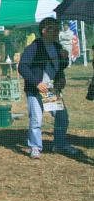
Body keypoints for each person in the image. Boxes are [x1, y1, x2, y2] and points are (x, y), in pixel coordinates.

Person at [18, 17, 77, 159]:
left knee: (62, 117)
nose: (57, 32)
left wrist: (64, 58)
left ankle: (60, 144)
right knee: (36, 120)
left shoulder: (57, 46)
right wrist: (37, 83)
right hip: (36, 89)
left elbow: (60, 68)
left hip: (50, 90)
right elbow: (22, 67)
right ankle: (35, 147)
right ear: (44, 31)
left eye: (57, 29)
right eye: (54, 30)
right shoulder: (34, 47)